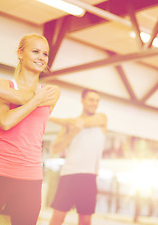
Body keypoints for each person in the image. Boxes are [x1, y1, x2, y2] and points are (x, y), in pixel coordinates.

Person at [0, 33, 60, 225]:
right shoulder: (3, 84)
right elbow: (6, 122)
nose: (41, 57)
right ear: (20, 53)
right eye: (35, 51)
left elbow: (24, 99)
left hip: (30, 177)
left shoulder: (52, 91)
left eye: (45, 54)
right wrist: (37, 99)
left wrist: (33, 97)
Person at [49, 88, 107, 225]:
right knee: (57, 217)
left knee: (85, 220)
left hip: (89, 176)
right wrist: (72, 133)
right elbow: (56, 148)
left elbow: (85, 123)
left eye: (97, 100)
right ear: (82, 100)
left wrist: (65, 121)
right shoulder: (70, 124)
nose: (95, 103)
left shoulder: (102, 118)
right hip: (68, 175)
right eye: (91, 100)